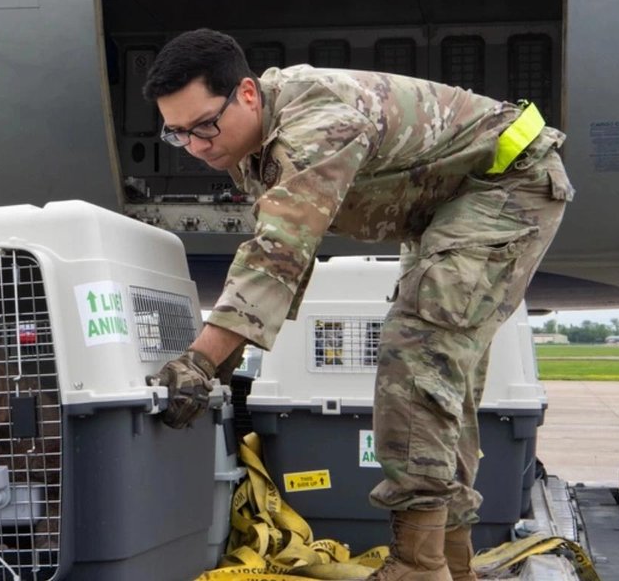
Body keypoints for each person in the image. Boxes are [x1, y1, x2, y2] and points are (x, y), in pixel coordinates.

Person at [142, 29, 572, 580]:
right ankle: (450, 560)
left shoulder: (317, 122)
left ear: (247, 94)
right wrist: (219, 356)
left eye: (204, 126)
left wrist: (200, 359)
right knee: (445, 381)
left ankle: (419, 566)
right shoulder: (251, 138)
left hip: (506, 182)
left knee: (417, 353)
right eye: (179, 135)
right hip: (451, 204)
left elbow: (278, 254)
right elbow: (287, 251)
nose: (198, 146)